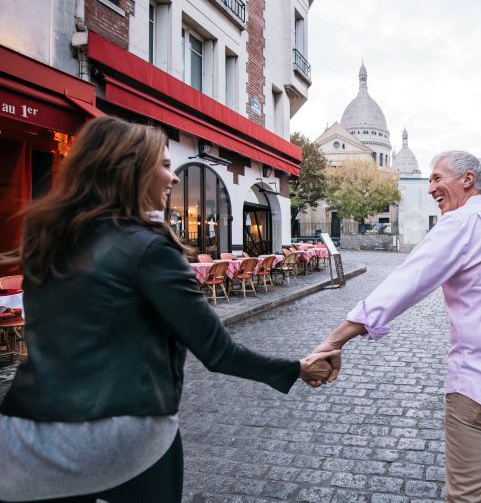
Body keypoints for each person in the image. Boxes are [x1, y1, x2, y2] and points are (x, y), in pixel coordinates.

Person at [0, 116, 337, 502]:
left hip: (28, 438)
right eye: (162, 164)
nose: (173, 177)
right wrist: (297, 368)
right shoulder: (150, 249)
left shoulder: (49, 240)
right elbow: (218, 351)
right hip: (121, 438)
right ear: (131, 171)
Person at [312, 151, 481, 503]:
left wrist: (334, 340)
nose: (430, 188)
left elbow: (404, 284)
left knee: (468, 496)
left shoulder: (461, 223)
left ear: (467, 180)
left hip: (480, 383)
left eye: (437, 178)